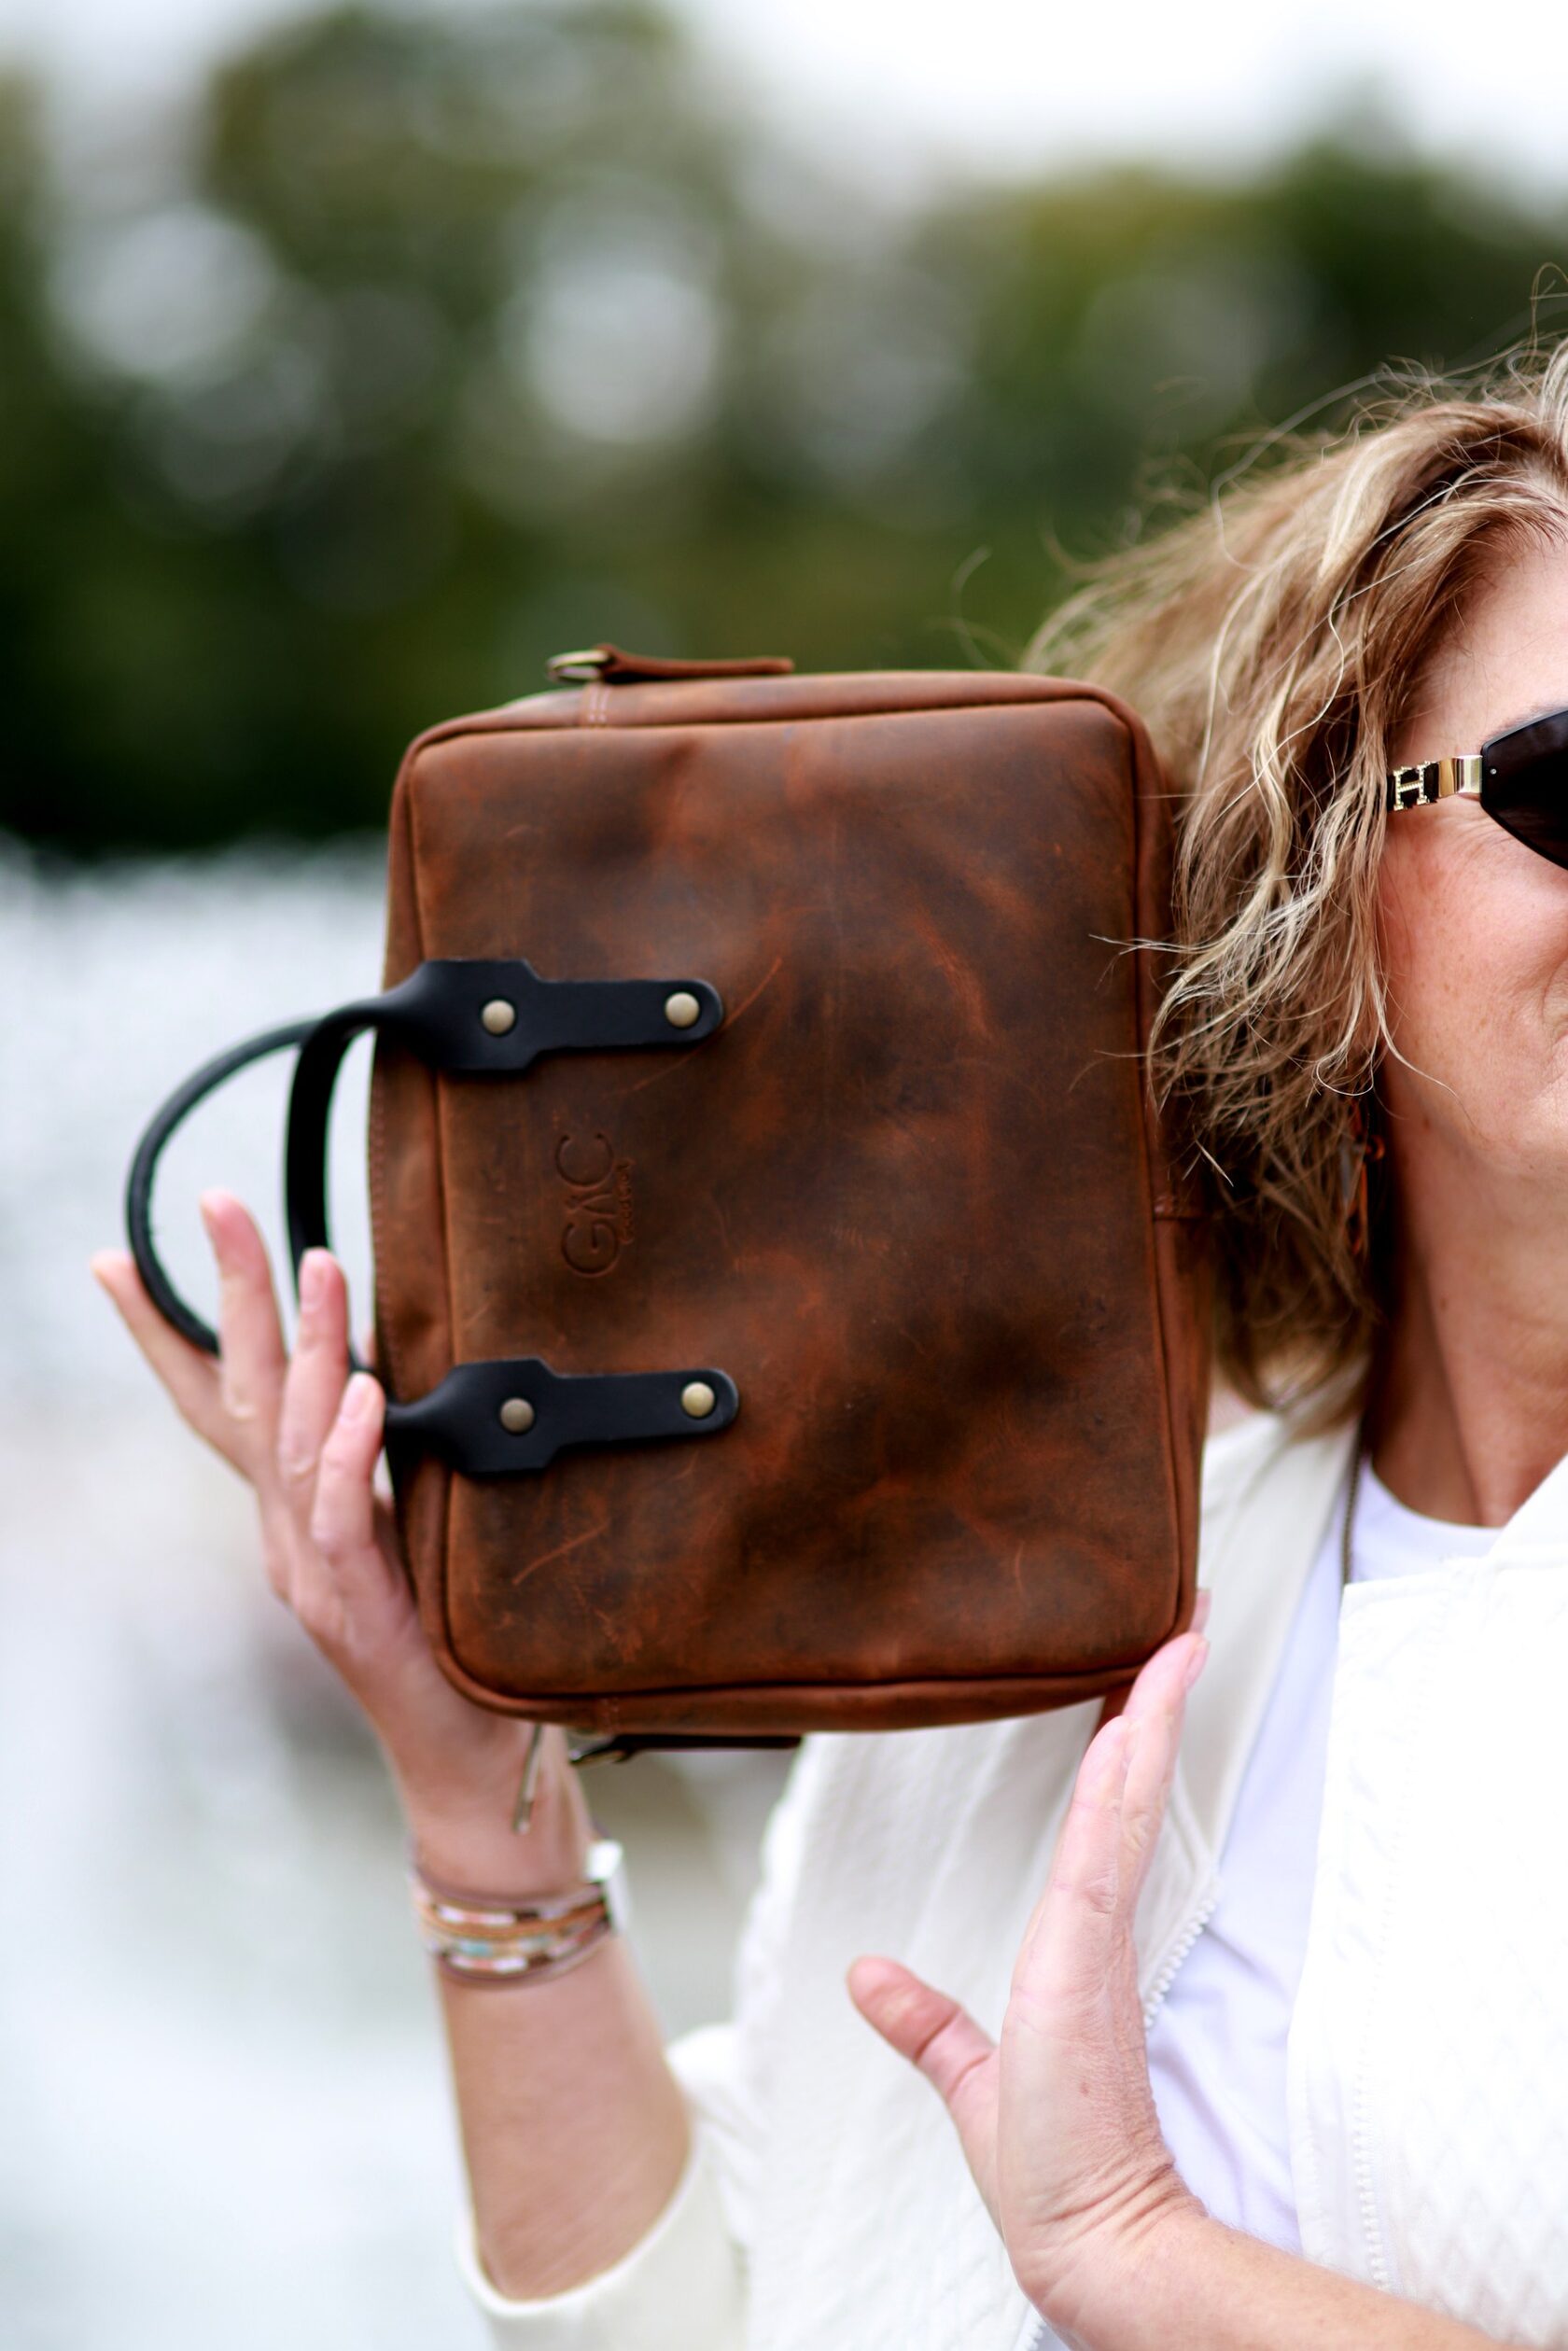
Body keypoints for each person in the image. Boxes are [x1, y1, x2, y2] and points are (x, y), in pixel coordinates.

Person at [93, 331, 1568, 2350]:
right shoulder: (1056, 1563)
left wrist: (1137, 2255)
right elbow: (703, 2314)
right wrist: (480, 1808)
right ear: (1318, 875)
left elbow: (1099, 2244)